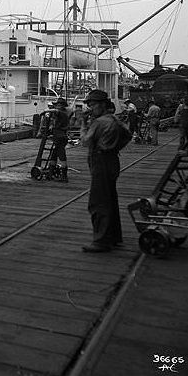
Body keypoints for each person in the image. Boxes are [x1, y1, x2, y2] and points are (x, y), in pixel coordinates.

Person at [81, 89, 131, 253]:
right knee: (110, 199)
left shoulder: (99, 122)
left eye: (93, 104)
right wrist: (115, 147)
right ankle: (114, 237)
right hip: (112, 159)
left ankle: (101, 241)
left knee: (98, 201)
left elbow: (86, 142)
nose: (90, 108)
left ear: (102, 105)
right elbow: (128, 135)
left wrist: (83, 125)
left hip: (100, 160)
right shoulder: (114, 120)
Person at [39, 97, 71, 182]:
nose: (57, 106)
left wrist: (44, 112)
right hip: (58, 136)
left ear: (62, 106)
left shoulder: (62, 113)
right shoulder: (60, 115)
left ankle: (64, 176)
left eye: (59, 105)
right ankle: (50, 173)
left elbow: (56, 111)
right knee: (54, 154)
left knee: (62, 156)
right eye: (57, 105)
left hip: (60, 137)